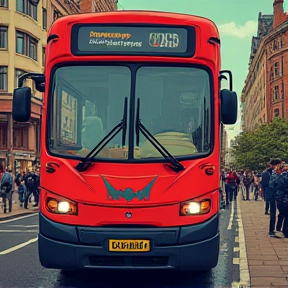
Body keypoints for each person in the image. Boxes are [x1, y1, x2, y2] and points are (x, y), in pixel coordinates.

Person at [268, 159, 286, 237]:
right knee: (273, 213)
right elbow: (272, 185)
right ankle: (271, 231)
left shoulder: (282, 173)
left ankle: (278, 228)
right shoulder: (274, 174)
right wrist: (280, 174)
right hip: (274, 195)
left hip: (281, 196)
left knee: (282, 213)